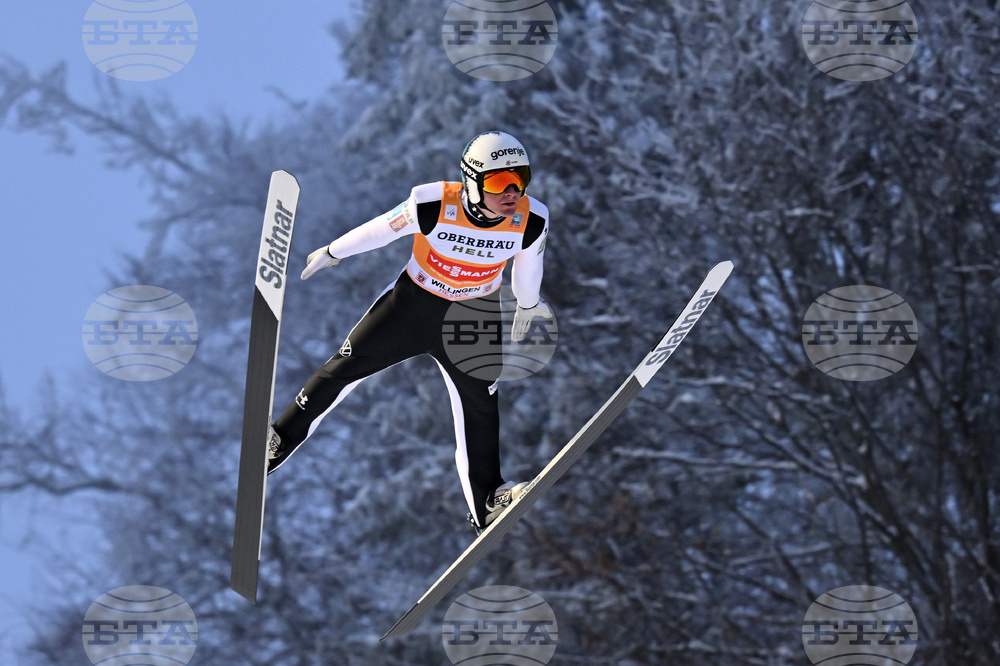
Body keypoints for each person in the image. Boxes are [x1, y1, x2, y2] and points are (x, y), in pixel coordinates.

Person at [266, 131, 552, 534]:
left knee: (481, 409)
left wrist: (528, 303)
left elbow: (528, 269)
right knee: (342, 370)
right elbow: (383, 229)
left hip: (471, 320)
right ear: (472, 181)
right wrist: (334, 251)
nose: (512, 192)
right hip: (411, 307)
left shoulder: (531, 218)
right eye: (498, 182)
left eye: (520, 178)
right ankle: (277, 441)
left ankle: (487, 501)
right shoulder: (434, 202)